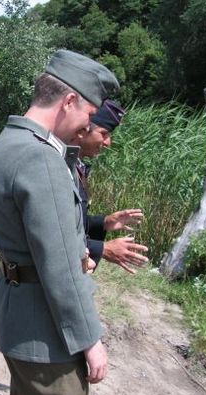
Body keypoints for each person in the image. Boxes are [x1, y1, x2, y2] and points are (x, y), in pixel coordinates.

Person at [0, 49, 119, 395]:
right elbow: (60, 268)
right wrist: (91, 341)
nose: (87, 127)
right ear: (69, 101)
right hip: (47, 334)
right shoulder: (41, 159)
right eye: (89, 115)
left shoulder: (5, 144)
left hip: (16, 319)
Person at [73, 100, 149, 273]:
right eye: (104, 133)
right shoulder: (59, 166)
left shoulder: (76, 166)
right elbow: (53, 233)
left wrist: (104, 223)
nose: (108, 142)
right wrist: (102, 248)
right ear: (84, 130)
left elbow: (70, 222)